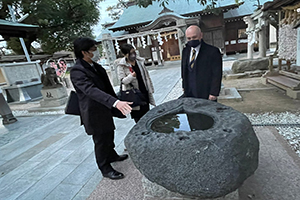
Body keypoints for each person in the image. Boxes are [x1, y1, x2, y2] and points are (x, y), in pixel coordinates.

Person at [70, 37, 132, 180]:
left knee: (109, 134)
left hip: (105, 108)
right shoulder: (77, 71)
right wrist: (115, 102)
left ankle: (112, 155)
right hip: (93, 112)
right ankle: (105, 167)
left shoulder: (96, 66)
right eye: (93, 49)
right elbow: (91, 90)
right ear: (84, 52)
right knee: (100, 140)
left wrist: (117, 101)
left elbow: (107, 88)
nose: (96, 52)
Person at [181, 25, 222, 101]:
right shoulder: (185, 51)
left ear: (201, 35)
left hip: (205, 91)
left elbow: (217, 74)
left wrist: (214, 92)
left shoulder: (212, 52)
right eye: (189, 38)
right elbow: (184, 69)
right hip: (189, 91)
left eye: (194, 37)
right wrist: (184, 85)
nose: (191, 40)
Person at [117, 44, 156, 123]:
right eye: (131, 53)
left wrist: (150, 88)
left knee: (148, 116)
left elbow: (146, 76)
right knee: (139, 119)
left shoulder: (139, 62)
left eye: (134, 52)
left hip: (144, 92)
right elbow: (123, 81)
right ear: (125, 55)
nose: (133, 54)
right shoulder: (122, 66)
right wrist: (131, 76)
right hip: (134, 95)